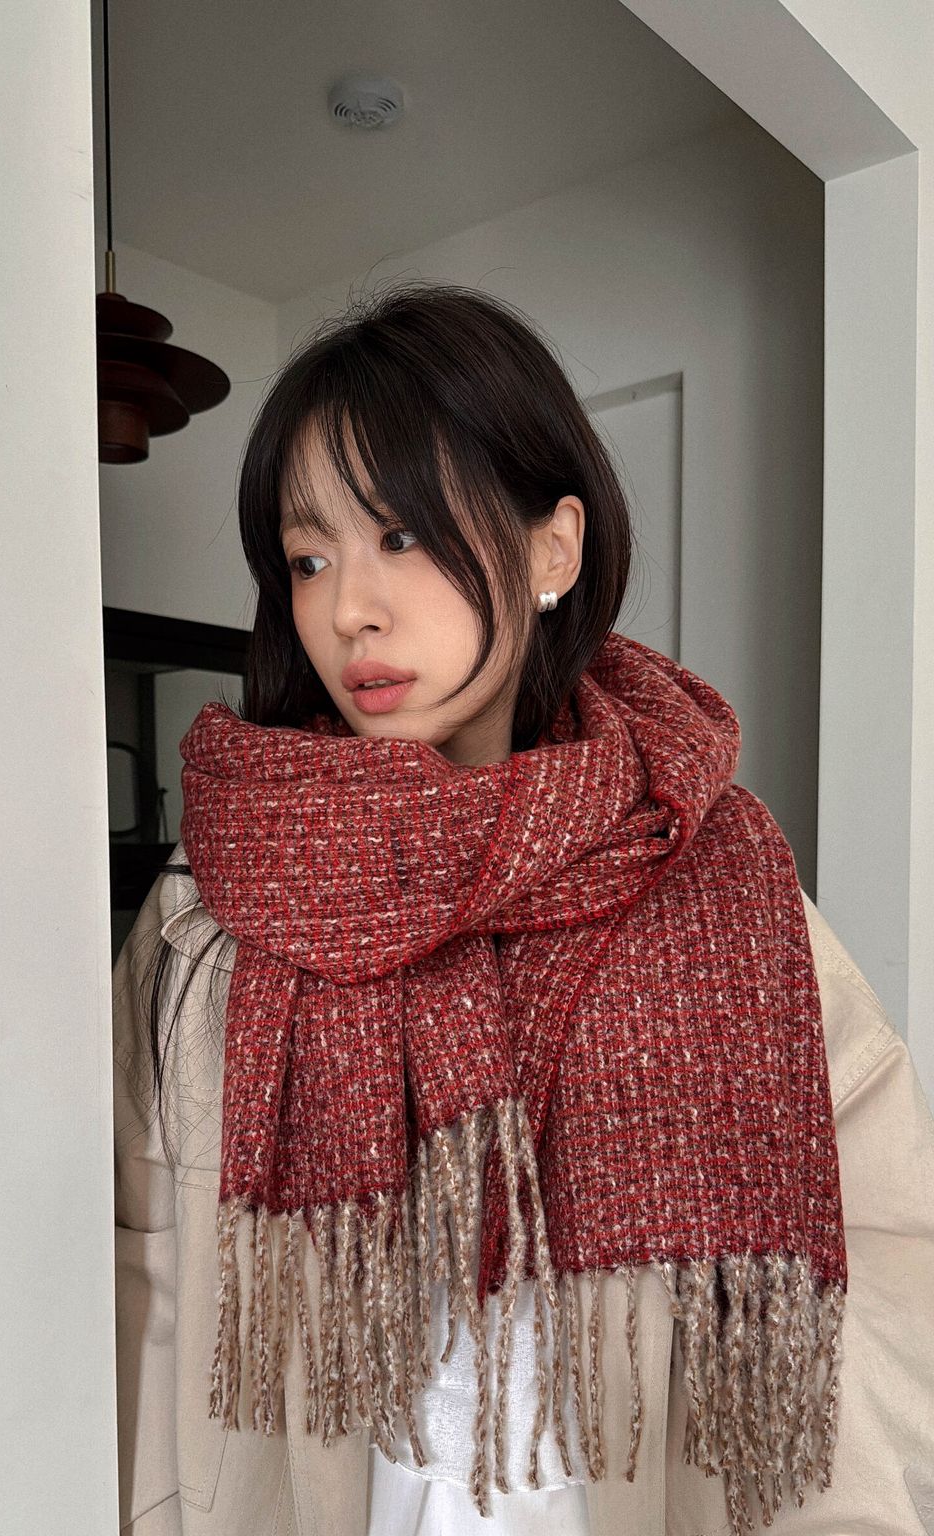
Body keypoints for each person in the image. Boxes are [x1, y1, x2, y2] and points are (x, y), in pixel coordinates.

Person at [112, 281, 934, 1536]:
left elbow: (870, 1251)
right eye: (309, 557)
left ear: (553, 548)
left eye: (401, 536)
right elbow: (139, 1274)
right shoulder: (214, 900)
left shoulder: (709, 872)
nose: (347, 608)